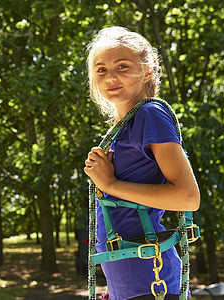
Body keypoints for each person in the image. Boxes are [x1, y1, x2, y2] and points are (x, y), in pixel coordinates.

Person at [83, 26, 200, 300]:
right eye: (101, 70)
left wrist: (110, 182)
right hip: (128, 278)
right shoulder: (123, 125)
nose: (110, 76)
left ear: (148, 71)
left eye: (122, 66)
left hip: (152, 278)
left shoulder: (150, 114)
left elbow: (188, 197)